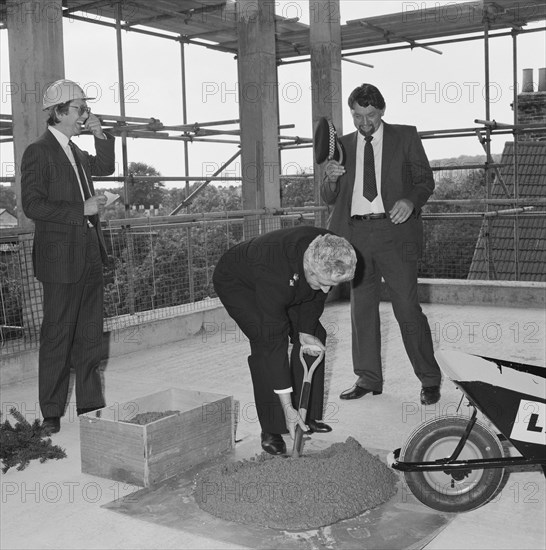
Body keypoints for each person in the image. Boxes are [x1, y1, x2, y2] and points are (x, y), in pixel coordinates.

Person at [320, 83, 442, 406]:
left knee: (406, 308)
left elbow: (425, 180)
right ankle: (368, 378)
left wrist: (410, 201)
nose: (364, 123)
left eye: (370, 115)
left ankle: (429, 378)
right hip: (355, 236)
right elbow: (329, 197)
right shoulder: (342, 146)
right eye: (357, 116)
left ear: (382, 111)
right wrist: (329, 178)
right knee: (361, 310)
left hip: (395, 233)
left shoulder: (405, 136)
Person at [21, 79, 115, 434]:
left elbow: (104, 167)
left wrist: (99, 132)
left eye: (84, 108)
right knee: (58, 336)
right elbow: (32, 205)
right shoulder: (38, 152)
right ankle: (51, 413)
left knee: (90, 334)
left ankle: (89, 405)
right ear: (59, 112)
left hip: (90, 255)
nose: (84, 114)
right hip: (60, 260)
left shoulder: (76, 153)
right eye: (79, 108)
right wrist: (82, 208)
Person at [213, 226, 356, 455]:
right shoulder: (274, 274)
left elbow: (315, 296)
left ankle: (306, 415)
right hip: (240, 284)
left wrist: (305, 330)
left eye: (333, 284)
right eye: (323, 282)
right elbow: (274, 342)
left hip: (290, 280)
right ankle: (273, 427)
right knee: (264, 342)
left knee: (315, 335)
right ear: (308, 267)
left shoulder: (331, 249)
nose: (327, 289)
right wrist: (286, 404)